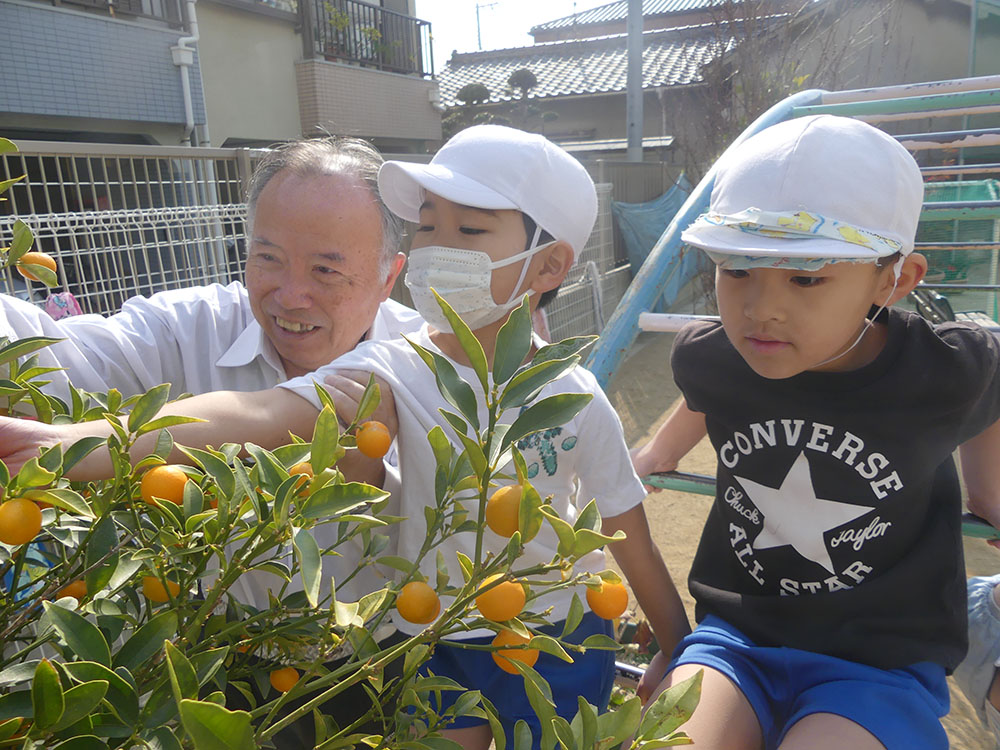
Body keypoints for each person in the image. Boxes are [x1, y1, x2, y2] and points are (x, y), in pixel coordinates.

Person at [0, 125, 691, 749]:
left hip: (561, 640)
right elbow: (261, 416)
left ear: (548, 267)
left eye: (470, 231)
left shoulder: (570, 395)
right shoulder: (393, 369)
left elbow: (624, 526)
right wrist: (71, 444)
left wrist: (674, 642)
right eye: (427, 226)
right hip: (435, 648)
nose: (437, 249)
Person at [629, 114, 1000, 750]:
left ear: (895, 279)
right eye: (737, 269)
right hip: (739, 635)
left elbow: (989, 393)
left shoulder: (942, 368)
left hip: (880, 654)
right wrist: (659, 452)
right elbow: (708, 386)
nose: (760, 308)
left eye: (806, 277)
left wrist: (988, 496)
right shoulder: (711, 354)